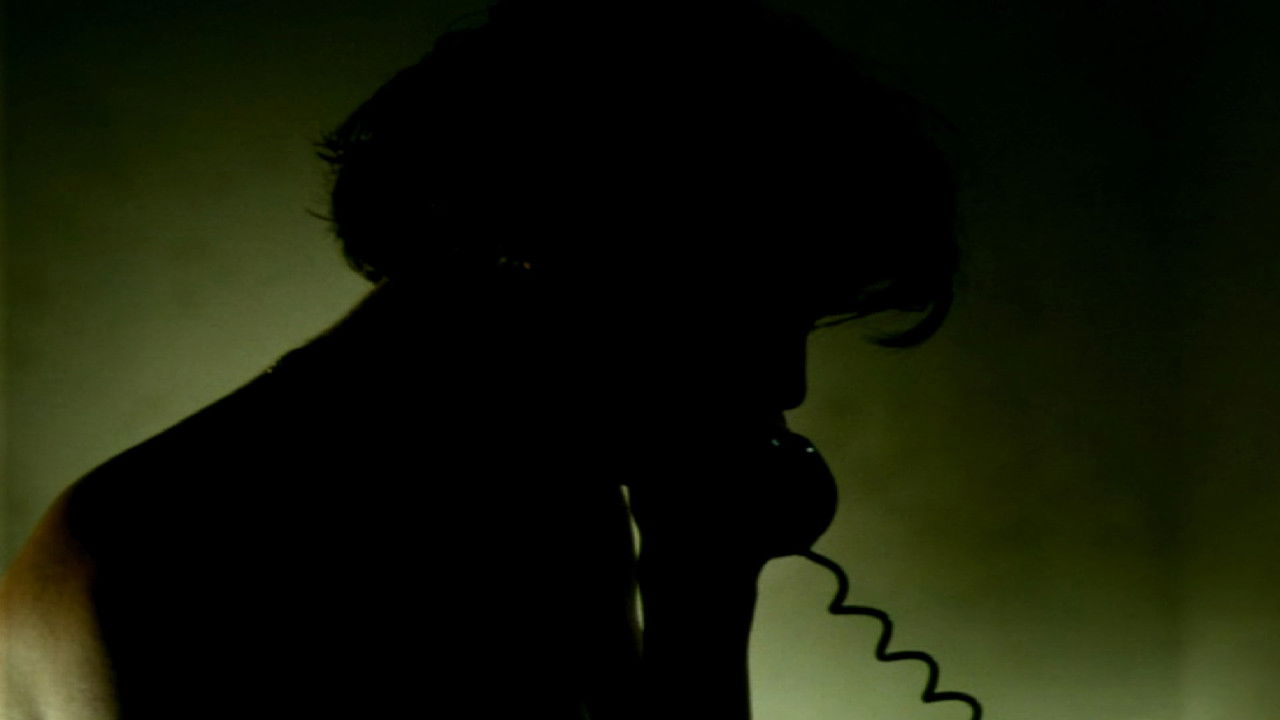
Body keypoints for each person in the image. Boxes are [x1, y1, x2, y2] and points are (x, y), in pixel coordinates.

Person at [0, 1, 957, 717]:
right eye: (743, 313)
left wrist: (701, 591)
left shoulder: (540, 496)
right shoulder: (156, 561)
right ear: (549, 247)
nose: (785, 385)